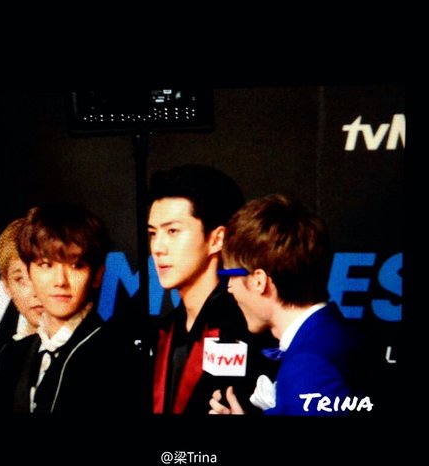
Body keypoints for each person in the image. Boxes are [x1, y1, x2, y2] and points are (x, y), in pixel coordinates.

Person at [208, 193, 372, 416]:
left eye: (230, 276)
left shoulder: (309, 366)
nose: (229, 288)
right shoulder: (330, 336)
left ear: (259, 281)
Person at [147, 163, 277, 415]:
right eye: (153, 233)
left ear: (217, 239)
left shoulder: (249, 329)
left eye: (172, 231)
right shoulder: (163, 331)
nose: (158, 247)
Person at [0, 201, 147, 413]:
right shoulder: (13, 356)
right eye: (46, 265)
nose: (60, 281)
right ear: (29, 273)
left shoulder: (119, 359)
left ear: (97, 275)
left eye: (76, 265)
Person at [0, 217, 43, 341]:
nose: (36, 292)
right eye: (21, 279)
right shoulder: (10, 350)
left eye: (42, 273)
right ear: (6, 286)